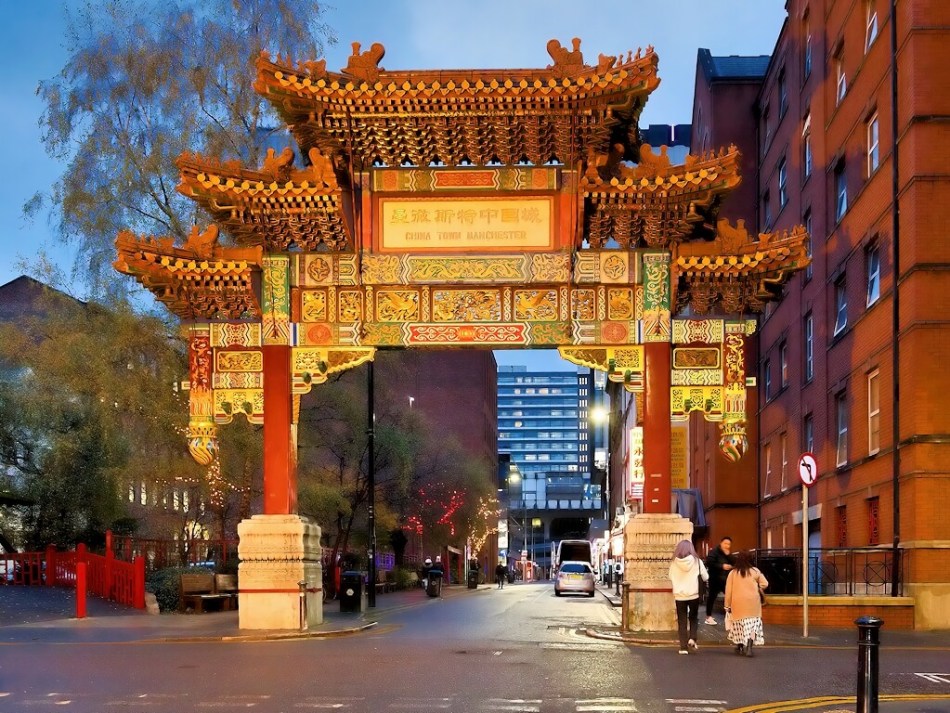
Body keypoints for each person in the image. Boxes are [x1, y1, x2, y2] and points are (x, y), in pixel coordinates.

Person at [724, 550, 769, 657]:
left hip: (738, 604)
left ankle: (739, 646)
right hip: (753, 604)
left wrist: (727, 605)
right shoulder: (755, 571)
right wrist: (758, 587)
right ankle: (749, 646)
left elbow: (728, 591)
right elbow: (765, 584)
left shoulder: (732, 573)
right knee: (753, 626)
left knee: (739, 625)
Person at [669, 539, 709, 655]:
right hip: (694, 595)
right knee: (693, 617)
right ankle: (692, 638)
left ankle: (683, 647)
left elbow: (671, 577)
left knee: (682, 621)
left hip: (679, 596)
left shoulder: (674, 563)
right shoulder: (697, 561)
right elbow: (705, 577)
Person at [704, 536, 735, 625]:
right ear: (721, 543)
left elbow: (734, 562)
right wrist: (722, 566)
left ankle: (732, 615)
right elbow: (709, 562)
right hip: (715, 579)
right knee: (711, 597)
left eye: (729, 544)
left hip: (725, 579)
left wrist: (728, 555)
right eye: (725, 543)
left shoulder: (728, 553)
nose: (727, 545)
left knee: (730, 597)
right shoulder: (714, 552)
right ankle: (708, 616)